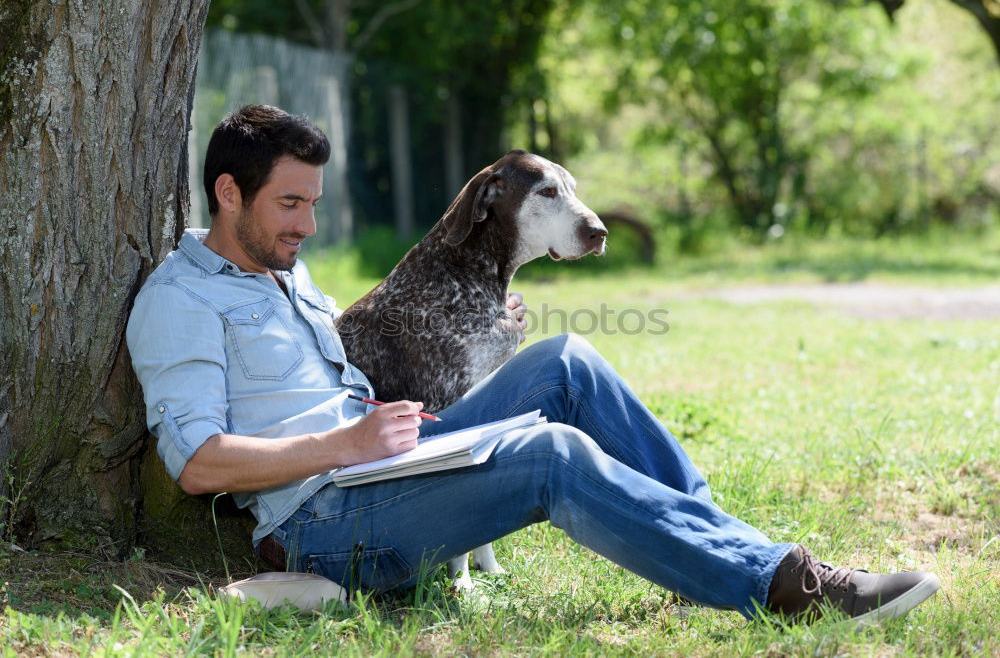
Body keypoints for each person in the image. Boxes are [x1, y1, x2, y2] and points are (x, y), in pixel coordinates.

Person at [126, 105, 940, 624]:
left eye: (313, 202)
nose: (307, 223)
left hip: (383, 466)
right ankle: (786, 589)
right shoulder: (181, 300)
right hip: (324, 525)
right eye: (290, 204)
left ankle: (728, 542)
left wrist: (473, 334)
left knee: (566, 362)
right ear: (229, 194)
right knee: (550, 454)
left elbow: (334, 357)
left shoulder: (280, 271)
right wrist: (343, 445)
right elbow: (198, 463)